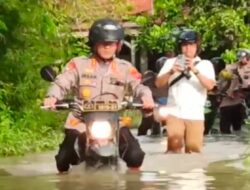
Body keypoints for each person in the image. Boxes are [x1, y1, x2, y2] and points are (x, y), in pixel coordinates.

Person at [43, 18, 155, 172]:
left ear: (118, 45)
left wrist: (146, 98)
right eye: (103, 43)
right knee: (64, 157)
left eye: (111, 43)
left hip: (115, 121)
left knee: (135, 155)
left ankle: (136, 181)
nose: (107, 47)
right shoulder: (78, 64)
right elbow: (62, 81)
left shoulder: (125, 68)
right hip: (80, 121)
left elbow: (140, 85)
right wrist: (52, 97)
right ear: (94, 43)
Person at [155, 30, 216, 153]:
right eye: (184, 45)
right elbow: (158, 84)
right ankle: (172, 172)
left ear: (196, 47)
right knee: (174, 148)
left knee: (194, 150)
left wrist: (195, 70)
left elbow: (210, 86)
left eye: (191, 45)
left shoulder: (205, 64)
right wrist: (171, 71)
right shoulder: (170, 63)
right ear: (180, 47)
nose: (188, 49)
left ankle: (194, 173)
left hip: (195, 114)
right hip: (174, 112)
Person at [217, 49, 250, 134]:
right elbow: (223, 79)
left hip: (242, 100)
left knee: (238, 128)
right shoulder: (231, 67)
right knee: (225, 130)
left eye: (246, 58)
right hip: (229, 101)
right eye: (241, 57)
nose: (243, 60)